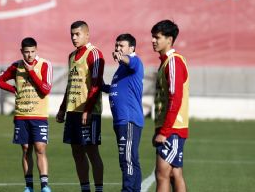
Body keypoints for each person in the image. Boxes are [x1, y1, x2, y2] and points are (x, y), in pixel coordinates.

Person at [0, 37, 53, 192]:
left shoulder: (45, 65)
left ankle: (45, 185)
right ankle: (29, 186)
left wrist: (31, 72)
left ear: (36, 50)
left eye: (33, 51)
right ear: (22, 52)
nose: (30, 55)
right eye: (26, 52)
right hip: (21, 115)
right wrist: (13, 89)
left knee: (40, 148)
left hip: (39, 115)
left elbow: (46, 89)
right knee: (26, 149)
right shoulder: (16, 66)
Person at [56, 21, 105, 192]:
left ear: (87, 34)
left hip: (89, 112)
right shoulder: (71, 56)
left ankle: (98, 189)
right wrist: (63, 108)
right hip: (72, 112)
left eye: (77, 34)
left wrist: (88, 109)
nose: (74, 37)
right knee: (76, 151)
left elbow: (96, 84)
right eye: (72, 34)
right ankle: (85, 189)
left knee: (92, 151)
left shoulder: (95, 54)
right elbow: (70, 85)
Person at [101, 34, 144, 192]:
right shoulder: (121, 68)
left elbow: (130, 61)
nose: (118, 49)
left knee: (127, 160)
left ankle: (128, 190)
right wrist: (101, 86)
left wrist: (121, 57)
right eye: (116, 46)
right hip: (121, 121)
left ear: (131, 48)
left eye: (121, 46)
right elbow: (117, 88)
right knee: (130, 159)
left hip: (129, 120)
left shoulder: (134, 61)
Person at [151, 20, 189, 192]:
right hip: (169, 127)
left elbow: (175, 98)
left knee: (162, 174)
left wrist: (164, 131)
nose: (153, 40)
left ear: (169, 39)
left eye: (157, 37)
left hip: (172, 128)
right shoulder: (165, 62)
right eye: (153, 37)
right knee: (174, 173)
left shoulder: (173, 62)